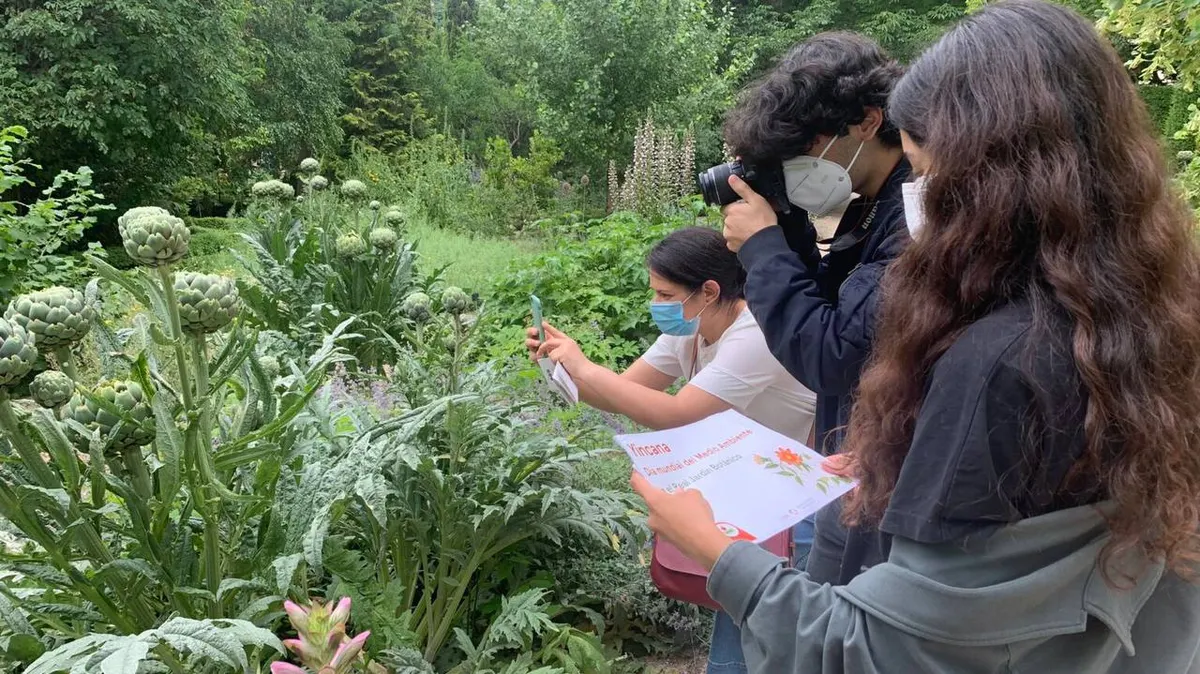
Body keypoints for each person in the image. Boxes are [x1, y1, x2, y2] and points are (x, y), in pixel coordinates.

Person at [630, 1, 1200, 671]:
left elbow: (880, 650)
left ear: (993, 180)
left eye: (925, 173)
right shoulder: (1144, 312)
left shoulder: (999, 362)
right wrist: (907, 453)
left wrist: (717, 552)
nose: (917, 201)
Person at [525, 226, 817, 671]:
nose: (656, 304)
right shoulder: (691, 328)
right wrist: (559, 367)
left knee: (773, 641)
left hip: (800, 507)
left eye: (665, 294)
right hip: (756, 498)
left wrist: (585, 366)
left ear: (708, 292)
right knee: (748, 636)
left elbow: (678, 413)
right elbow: (625, 391)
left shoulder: (754, 334)